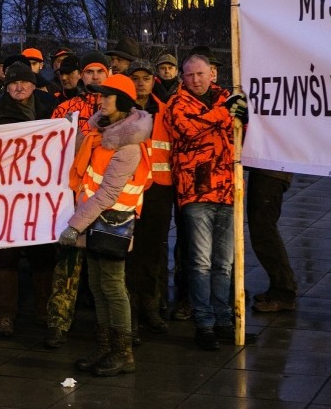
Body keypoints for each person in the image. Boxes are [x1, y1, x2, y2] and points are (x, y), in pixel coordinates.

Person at [58, 73, 152, 377]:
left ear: (121, 101)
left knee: (112, 287)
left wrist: (74, 225)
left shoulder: (127, 146)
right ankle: (105, 346)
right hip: (96, 221)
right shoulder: (104, 134)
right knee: (98, 286)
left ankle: (123, 353)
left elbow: (108, 193)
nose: (101, 101)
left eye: (107, 96)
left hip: (113, 224)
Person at [164, 54, 248, 350]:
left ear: (211, 74)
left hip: (227, 189)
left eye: (199, 74)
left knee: (223, 263)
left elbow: (240, 136)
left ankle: (223, 320)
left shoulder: (229, 98)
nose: (195, 80)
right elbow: (187, 131)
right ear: (182, 78)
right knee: (200, 262)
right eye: (189, 75)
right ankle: (204, 323)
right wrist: (224, 114)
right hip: (196, 191)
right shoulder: (178, 104)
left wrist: (241, 119)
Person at [0, 62, 58, 336]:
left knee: (43, 257)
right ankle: (5, 315)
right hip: (7, 197)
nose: (18, 87)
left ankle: (44, 310)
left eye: (24, 82)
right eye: (13, 83)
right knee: (7, 257)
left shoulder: (51, 113)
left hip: (41, 196)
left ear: (34, 85)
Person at [43, 50, 108, 349]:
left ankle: (107, 328)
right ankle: (57, 324)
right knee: (67, 263)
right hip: (72, 197)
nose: (94, 77)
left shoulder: (117, 111)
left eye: (100, 72)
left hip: (107, 201)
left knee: (106, 267)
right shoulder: (65, 109)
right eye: (90, 72)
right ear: (81, 75)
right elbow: (51, 150)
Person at [125, 59, 173, 335]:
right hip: (130, 191)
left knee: (153, 251)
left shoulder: (165, 112)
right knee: (129, 252)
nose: (140, 82)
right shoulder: (122, 111)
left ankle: (150, 307)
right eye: (136, 78)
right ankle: (130, 311)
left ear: (153, 80)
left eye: (145, 78)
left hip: (159, 190)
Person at [248, 168, 297, 312]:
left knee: (263, 229)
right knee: (262, 228)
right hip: (267, 169)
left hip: (270, 170)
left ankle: (284, 291)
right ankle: (282, 287)